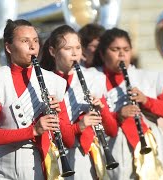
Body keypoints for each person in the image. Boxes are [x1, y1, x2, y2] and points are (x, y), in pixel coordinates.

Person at [0, 19, 75, 180]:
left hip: (44, 167)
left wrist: (58, 116)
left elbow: (69, 141)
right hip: (4, 170)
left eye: (35, 40)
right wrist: (33, 131)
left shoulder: (53, 81)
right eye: (24, 41)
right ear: (8, 47)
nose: (33, 46)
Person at [93, 27, 163, 179]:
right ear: (103, 54)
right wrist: (118, 116)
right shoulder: (92, 78)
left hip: (150, 145)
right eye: (115, 49)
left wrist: (147, 101)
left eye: (126, 49)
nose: (122, 54)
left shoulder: (146, 78)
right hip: (110, 149)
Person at [40, 24, 118, 179]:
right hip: (58, 156)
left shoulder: (94, 77)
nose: (75, 54)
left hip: (91, 154)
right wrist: (79, 126)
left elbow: (112, 130)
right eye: (68, 49)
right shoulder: (45, 82)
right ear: (52, 51)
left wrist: (101, 109)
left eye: (78, 48)